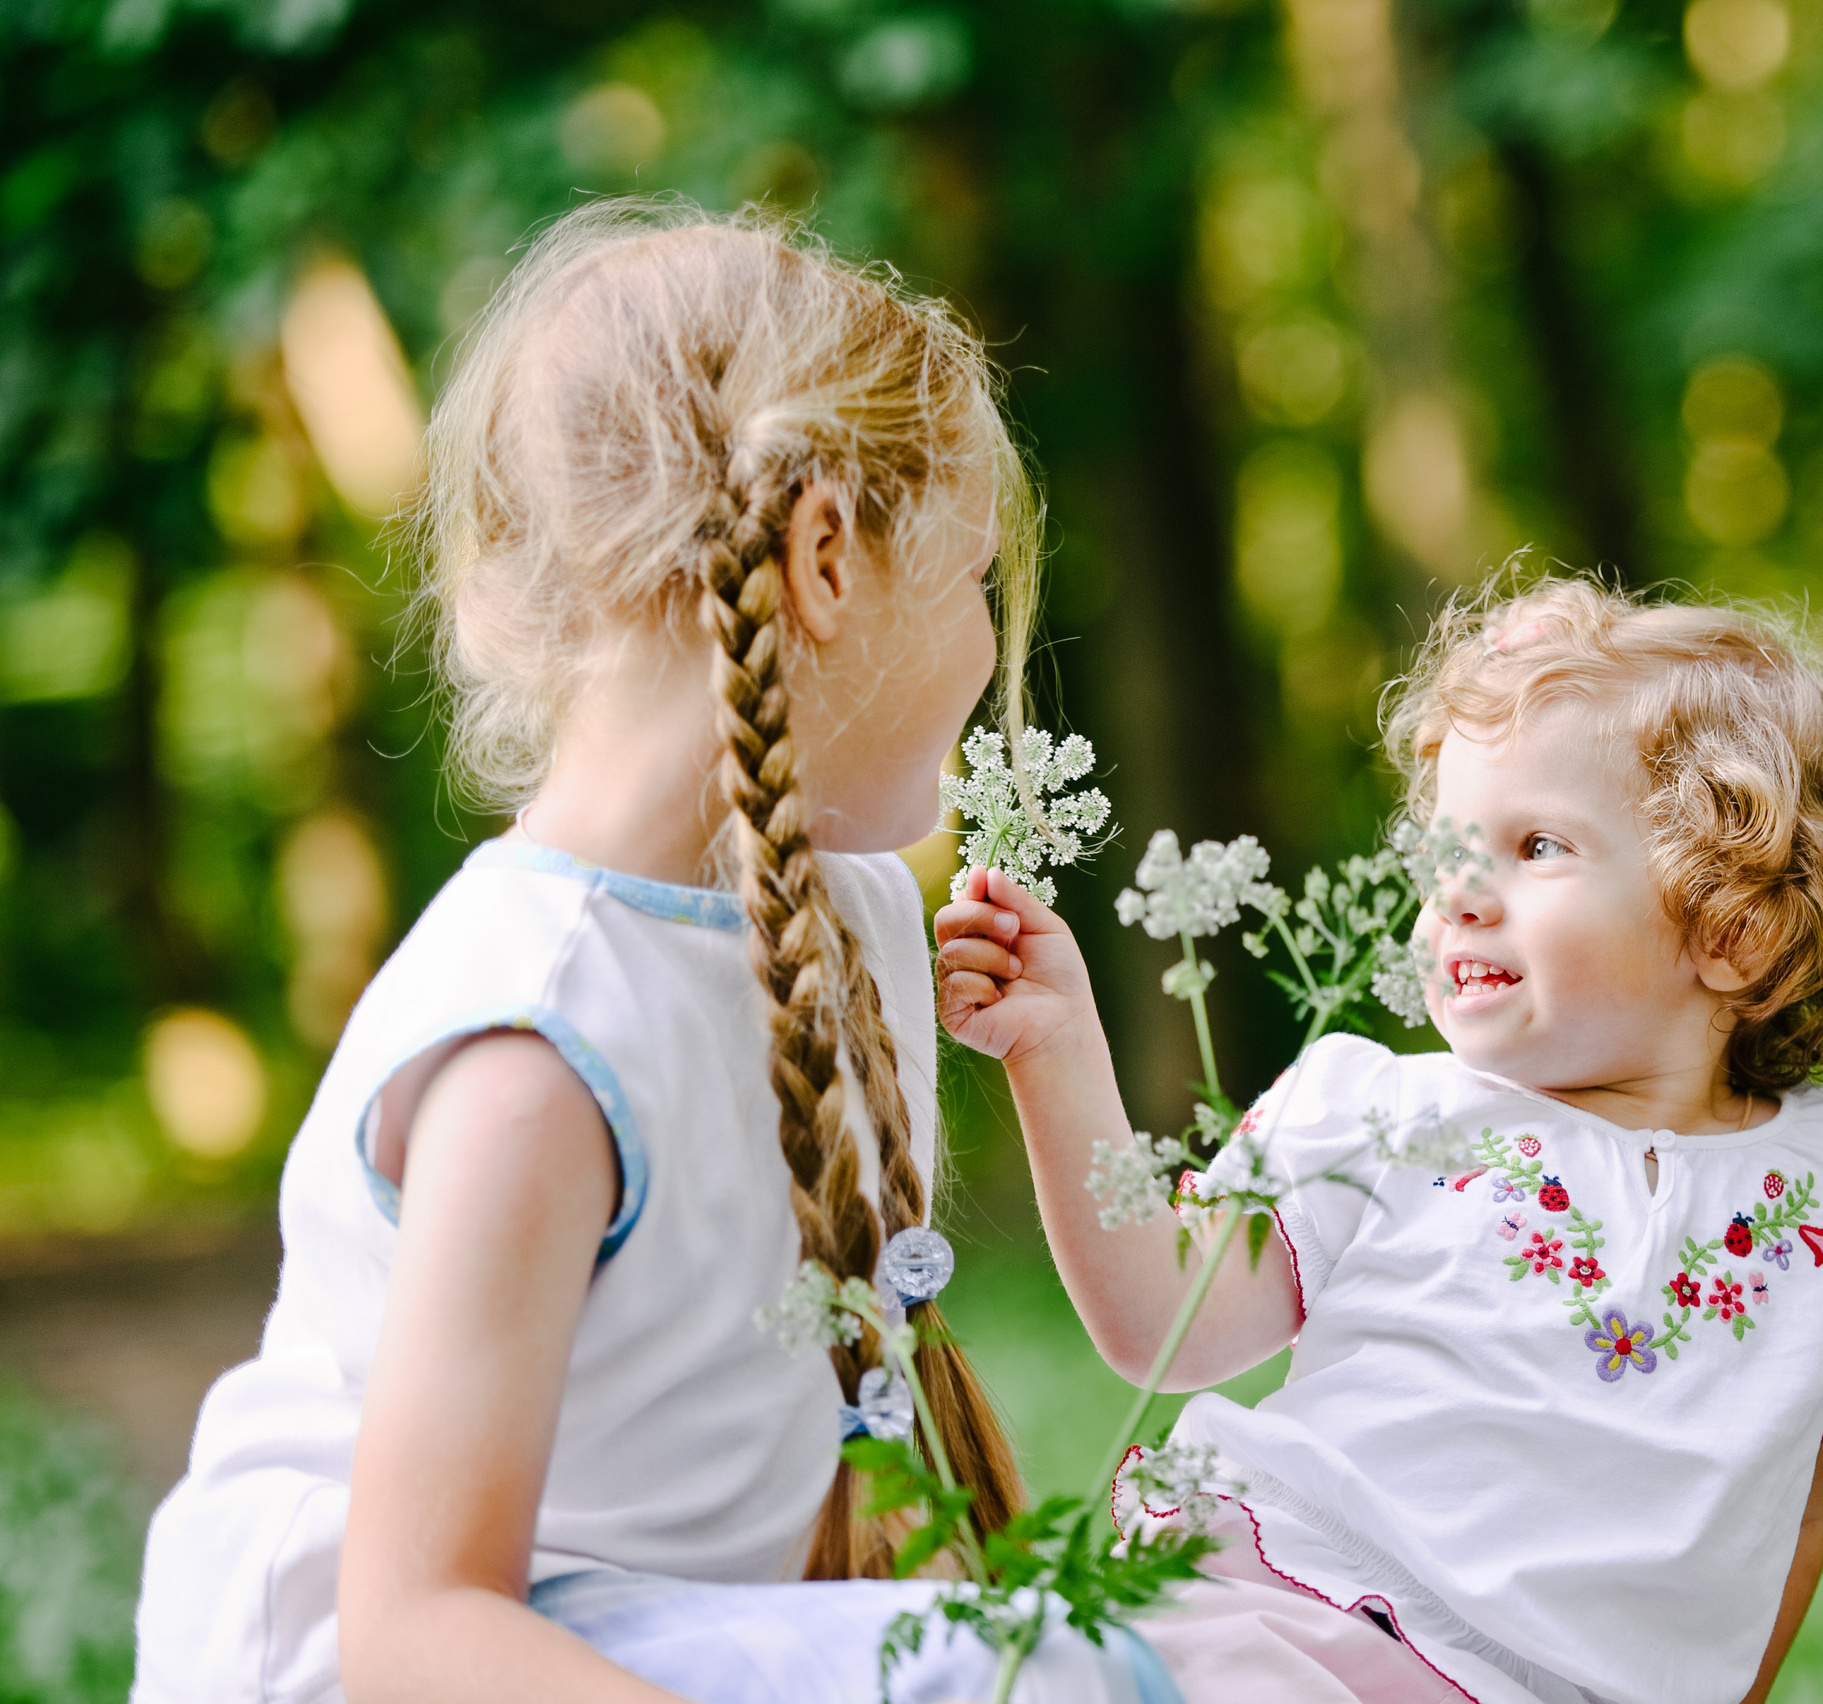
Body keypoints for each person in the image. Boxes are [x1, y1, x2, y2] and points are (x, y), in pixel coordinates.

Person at [134, 200, 1174, 1704]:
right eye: (968, 582)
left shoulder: (860, 917)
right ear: (827, 559)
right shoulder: (534, 1046)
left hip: (641, 1633)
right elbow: (419, 1632)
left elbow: (827, 1476)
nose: (986, 638)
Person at [936, 578, 1823, 1704]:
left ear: (1732, 927)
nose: (1458, 893)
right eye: (1445, 851)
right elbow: (1160, 1326)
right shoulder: (1380, 1111)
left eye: (1536, 844)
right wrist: (1057, 1047)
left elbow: (1793, 1500)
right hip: (1288, 1626)